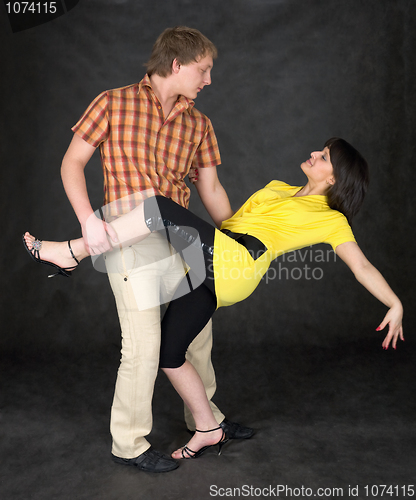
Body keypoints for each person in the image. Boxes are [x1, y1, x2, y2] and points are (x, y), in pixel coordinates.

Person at [23, 137, 404, 459]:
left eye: (324, 158)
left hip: (238, 265)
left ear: (334, 178)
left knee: (158, 208)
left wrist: (395, 303)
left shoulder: (331, 219)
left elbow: (362, 267)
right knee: (170, 354)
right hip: (218, 257)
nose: (315, 155)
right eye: (320, 150)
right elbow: (232, 223)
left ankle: (71, 251)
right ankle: (208, 428)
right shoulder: (277, 187)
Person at [32, 26, 253, 474]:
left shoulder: (199, 123)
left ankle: (207, 422)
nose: (208, 80)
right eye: (204, 70)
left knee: (197, 340)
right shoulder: (111, 102)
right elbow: (72, 162)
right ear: (177, 64)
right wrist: (88, 220)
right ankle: (128, 443)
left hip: (185, 240)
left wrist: (237, 239)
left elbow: (211, 189)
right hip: (129, 238)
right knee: (144, 347)